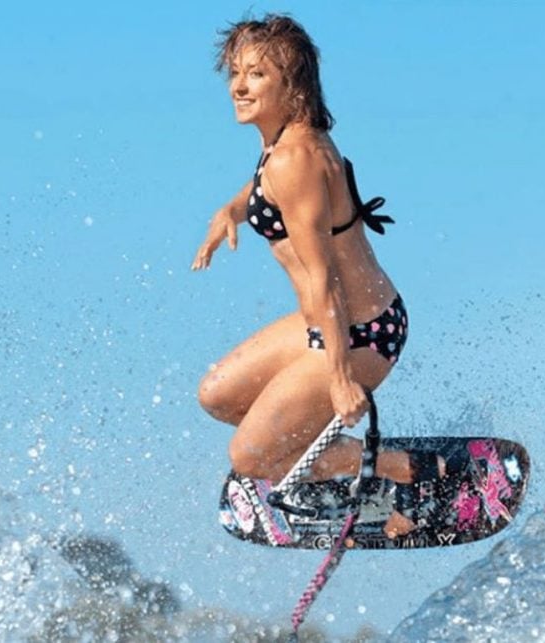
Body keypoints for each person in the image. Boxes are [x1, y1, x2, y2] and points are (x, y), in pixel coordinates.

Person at [192, 15, 443, 538]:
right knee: (218, 395)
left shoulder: (296, 159)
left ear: (293, 84)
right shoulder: (284, 143)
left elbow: (323, 277)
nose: (239, 86)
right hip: (330, 323)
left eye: (257, 74)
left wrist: (339, 379)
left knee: (252, 456)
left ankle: (397, 472)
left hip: (359, 331)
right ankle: (330, 462)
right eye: (235, 73)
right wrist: (231, 210)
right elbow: (266, 189)